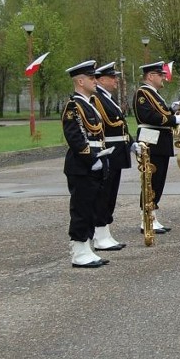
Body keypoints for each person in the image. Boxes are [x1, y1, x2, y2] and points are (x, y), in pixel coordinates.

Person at [62, 60, 110, 268]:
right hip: (82, 165)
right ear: (80, 81)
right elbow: (75, 137)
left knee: (92, 207)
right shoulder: (74, 106)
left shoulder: (88, 104)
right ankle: (79, 252)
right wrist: (91, 159)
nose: (95, 81)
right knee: (81, 209)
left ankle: (87, 248)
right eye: (91, 78)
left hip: (95, 160)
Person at [133, 61, 180, 233]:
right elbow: (148, 115)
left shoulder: (154, 94)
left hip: (159, 141)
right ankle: (146, 218)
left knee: (158, 180)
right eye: (160, 74)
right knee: (151, 180)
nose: (163, 77)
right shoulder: (143, 93)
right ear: (150, 76)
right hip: (151, 140)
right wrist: (173, 119)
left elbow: (160, 113)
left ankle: (152, 215)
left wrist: (172, 109)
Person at [89, 62, 134, 251]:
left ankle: (105, 232)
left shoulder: (108, 98)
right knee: (104, 194)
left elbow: (121, 125)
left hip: (118, 149)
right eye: (112, 77)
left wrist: (132, 143)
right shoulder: (96, 98)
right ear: (100, 80)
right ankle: (100, 234)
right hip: (109, 150)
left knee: (111, 194)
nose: (116, 80)